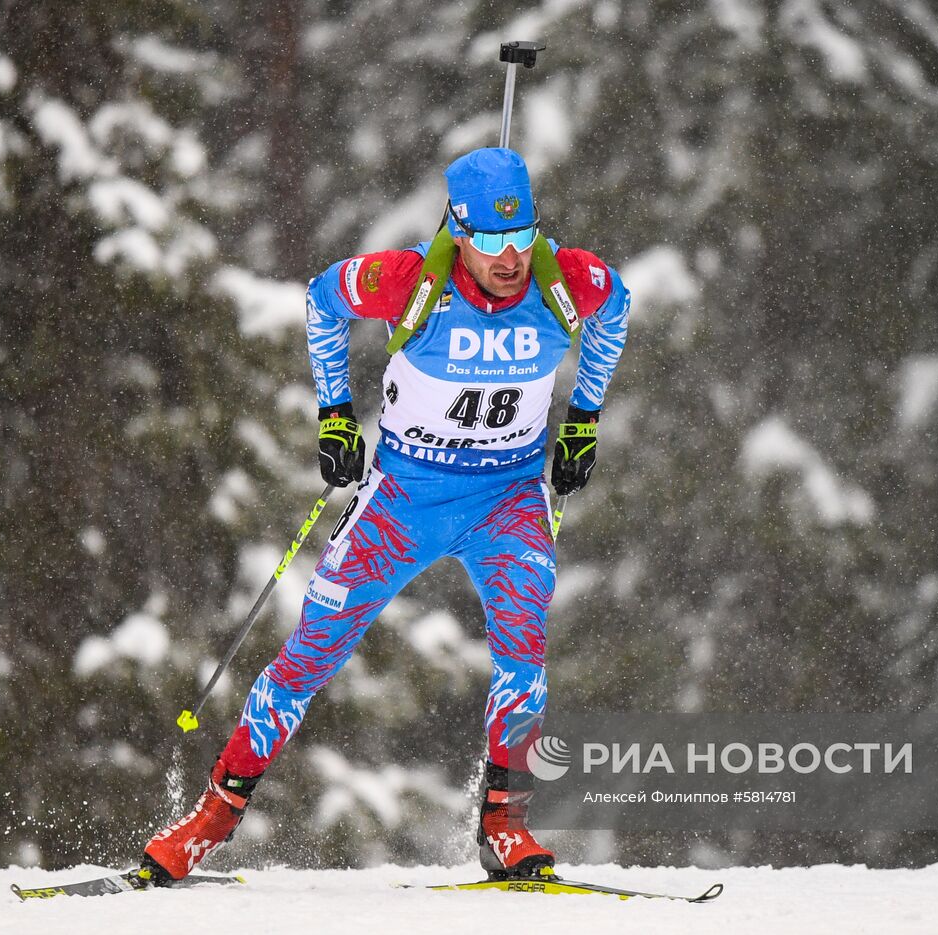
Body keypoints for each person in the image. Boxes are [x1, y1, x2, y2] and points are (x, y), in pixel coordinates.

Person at [139, 147, 630, 884]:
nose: (511, 257)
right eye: (492, 242)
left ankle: (504, 825)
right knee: (311, 651)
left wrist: (584, 419)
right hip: (404, 497)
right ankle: (211, 819)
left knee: (524, 653)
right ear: (459, 231)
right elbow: (322, 298)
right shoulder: (410, 281)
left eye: (522, 236)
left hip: (509, 497)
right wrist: (336, 413)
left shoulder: (568, 279)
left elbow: (616, 309)